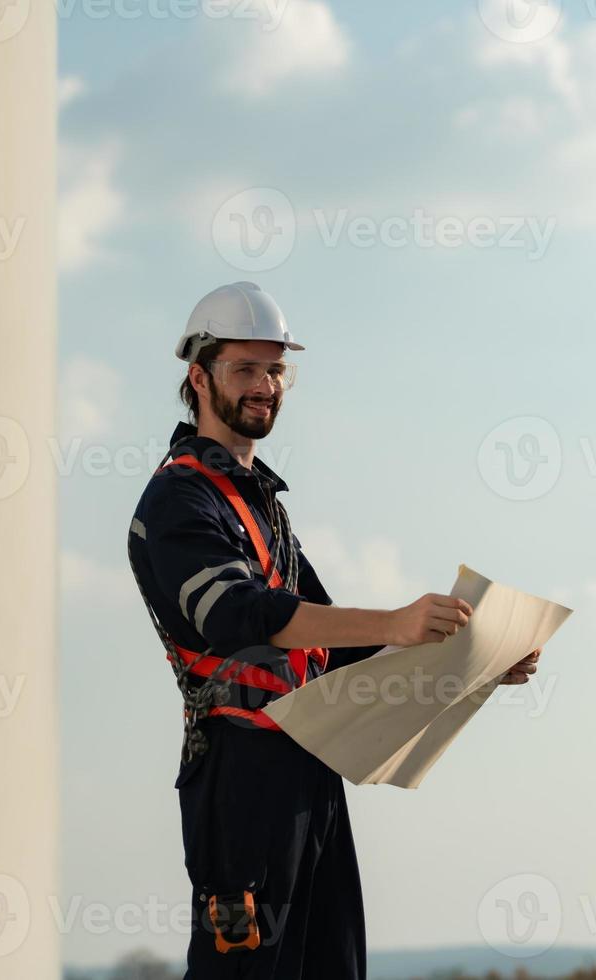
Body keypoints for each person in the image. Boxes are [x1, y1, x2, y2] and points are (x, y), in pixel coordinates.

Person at [127, 281, 541, 978]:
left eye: (276, 369)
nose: (265, 385)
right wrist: (397, 622)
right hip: (239, 779)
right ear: (198, 378)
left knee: (333, 966)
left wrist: (476, 660)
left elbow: (335, 645)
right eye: (245, 368)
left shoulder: (263, 508)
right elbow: (240, 615)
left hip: (307, 767)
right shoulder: (178, 500)